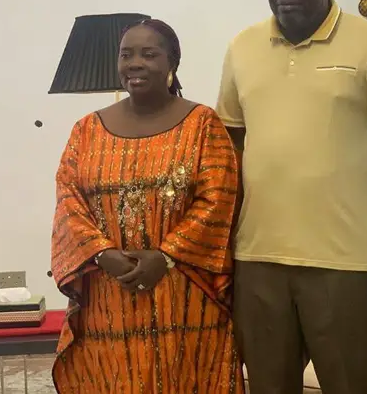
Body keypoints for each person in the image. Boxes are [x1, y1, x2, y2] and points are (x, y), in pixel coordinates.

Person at [216, 0, 367, 394]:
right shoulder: (242, 47)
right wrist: (222, 246)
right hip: (257, 258)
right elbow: (230, 150)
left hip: (345, 262)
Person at [50, 19, 244, 394]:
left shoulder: (202, 124)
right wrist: (102, 253)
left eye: (149, 54)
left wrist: (165, 256)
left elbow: (219, 198)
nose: (135, 63)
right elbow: (68, 200)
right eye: (126, 55)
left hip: (183, 294)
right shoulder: (86, 130)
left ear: (172, 63)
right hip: (108, 294)